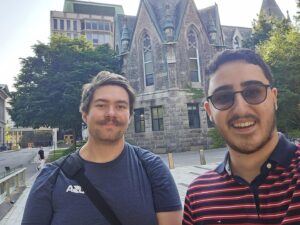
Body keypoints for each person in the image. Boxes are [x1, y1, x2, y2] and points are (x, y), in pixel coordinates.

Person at [22, 71, 182, 225]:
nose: (111, 113)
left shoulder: (153, 169)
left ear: (130, 116)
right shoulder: (52, 178)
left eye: (120, 106)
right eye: (101, 105)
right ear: (85, 114)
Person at [183, 49, 300, 224]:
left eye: (253, 92)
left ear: (274, 98)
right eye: (223, 97)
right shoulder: (197, 196)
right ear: (209, 111)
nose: (241, 109)